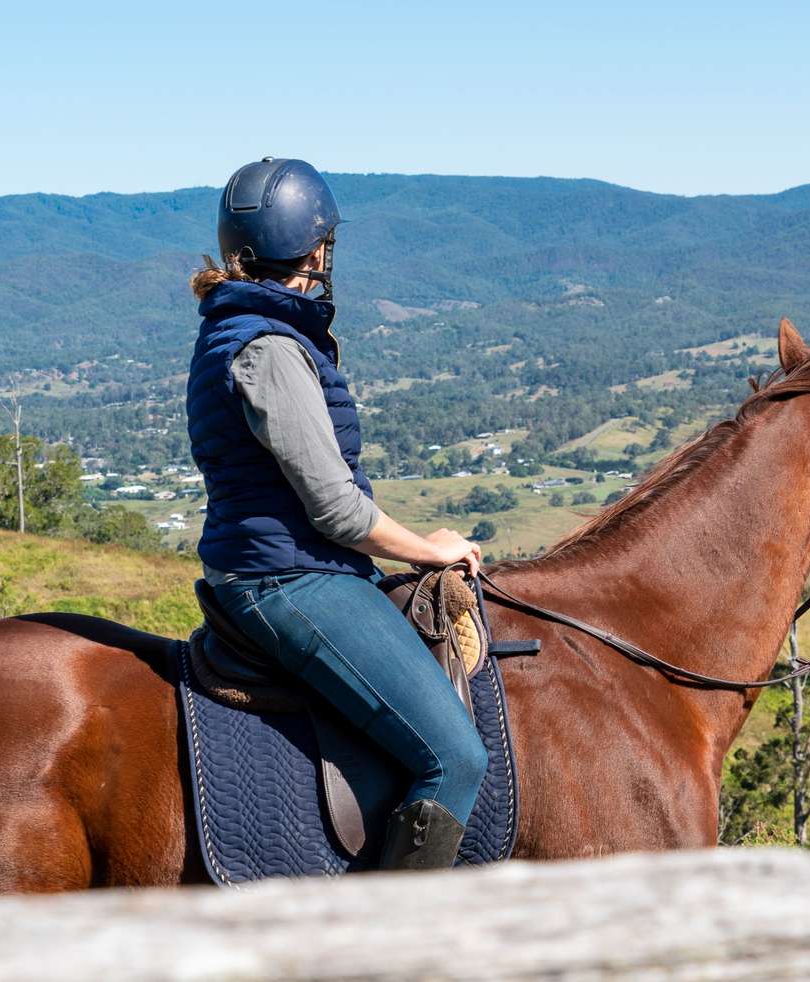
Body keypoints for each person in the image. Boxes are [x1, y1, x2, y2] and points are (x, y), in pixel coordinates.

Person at [186, 157, 488, 870]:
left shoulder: (244, 325)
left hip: (286, 566)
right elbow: (334, 508)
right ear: (317, 250)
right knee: (454, 757)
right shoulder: (269, 349)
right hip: (289, 580)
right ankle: (388, 949)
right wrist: (427, 551)